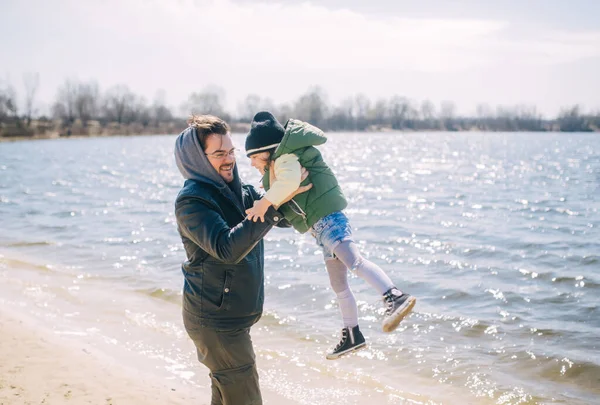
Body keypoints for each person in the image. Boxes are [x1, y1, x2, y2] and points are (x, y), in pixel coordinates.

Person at [244, 111, 417, 360]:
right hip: (320, 229)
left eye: (254, 157)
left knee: (354, 261)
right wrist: (269, 194)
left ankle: (394, 295)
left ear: (268, 150)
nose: (251, 163)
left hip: (329, 221)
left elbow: (289, 182)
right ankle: (352, 334)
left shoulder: (285, 159)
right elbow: (287, 191)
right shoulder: (278, 166)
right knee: (339, 285)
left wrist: (264, 203)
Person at [174, 114, 311, 405]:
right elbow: (227, 248)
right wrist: (272, 205)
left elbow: (279, 215)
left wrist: (293, 188)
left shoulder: (241, 191)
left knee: (226, 397)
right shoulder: (192, 202)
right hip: (215, 322)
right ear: (198, 159)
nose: (229, 160)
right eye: (219, 153)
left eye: (231, 151)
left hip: (229, 318)